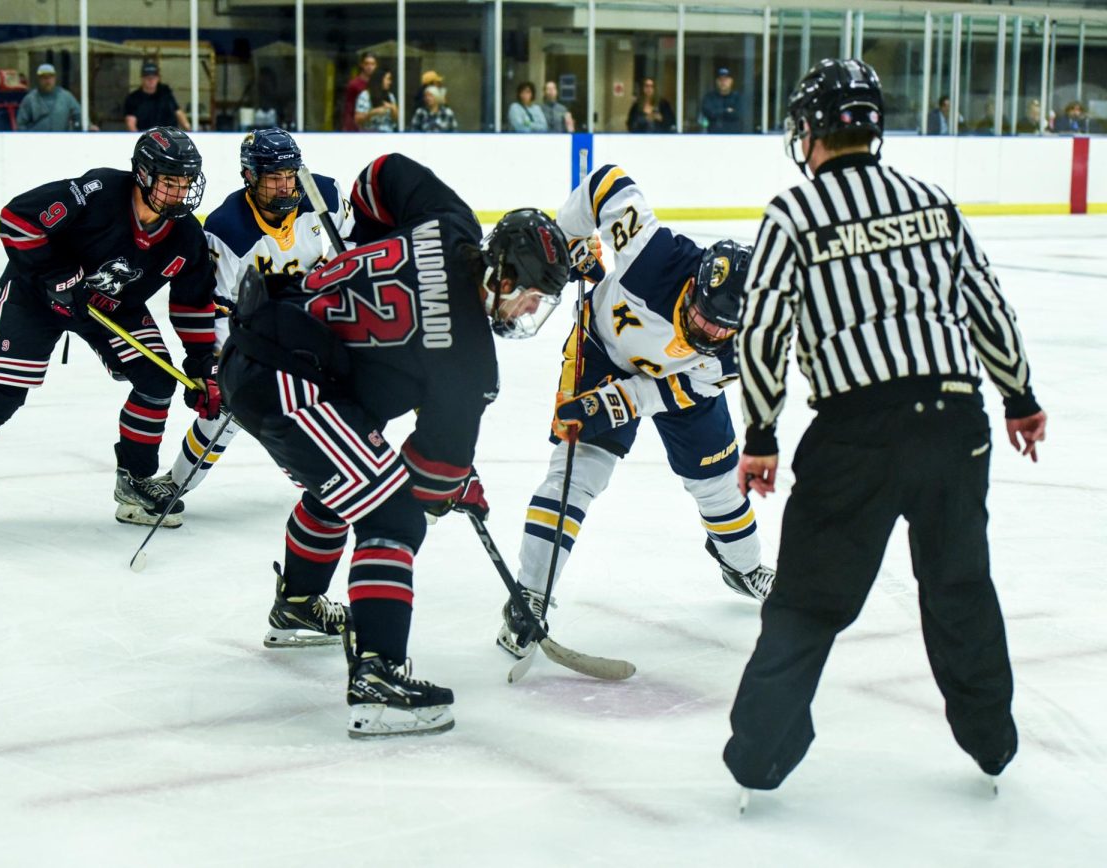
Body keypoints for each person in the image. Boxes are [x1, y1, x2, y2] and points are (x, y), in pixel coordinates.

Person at [723, 58, 1047, 799]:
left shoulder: (793, 213)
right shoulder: (932, 201)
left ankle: (759, 758)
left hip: (855, 432)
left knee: (808, 599)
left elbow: (763, 332)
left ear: (810, 131)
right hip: (954, 420)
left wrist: (763, 433)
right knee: (959, 583)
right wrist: (1020, 396)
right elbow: (988, 307)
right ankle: (992, 745)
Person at [217, 153, 570, 736]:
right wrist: (456, 486)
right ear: (504, 276)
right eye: (530, 296)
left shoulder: (449, 220)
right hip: (289, 379)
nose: (529, 310)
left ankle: (298, 607)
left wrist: (369, 244)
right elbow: (428, 483)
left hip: (269, 340)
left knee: (352, 481)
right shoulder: (471, 364)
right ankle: (377, 675)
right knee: (394, 514)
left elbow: (384, 173)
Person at [496, 165, 775, 660]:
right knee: (576, 472)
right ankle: (529, 596)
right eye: (702, 318)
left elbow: (673, 391)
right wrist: (571, 238)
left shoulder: (741, 349)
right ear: (694, 285)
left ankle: (743, 565)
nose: (707, 334)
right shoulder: (655, 254)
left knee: (717, 485)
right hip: (602, 349)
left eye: (719, 331)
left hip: (672, 387)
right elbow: (606, 182)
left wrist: (616, 403)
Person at [0, 127, 218, 531]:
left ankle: (135, 481)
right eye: (170, 182)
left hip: (111, 307)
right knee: (1, 395)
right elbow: (17, 218)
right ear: (143, 175)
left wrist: (201, 363)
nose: (179, 193)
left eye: (185, 183)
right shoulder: (98, 191)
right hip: (35, 296)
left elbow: (193, 301)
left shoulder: (185, 237)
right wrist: (55, 273)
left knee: (158, 381)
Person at [166, 127, 352, 509]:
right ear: (249, 177)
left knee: (334, 401)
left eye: (290, 175)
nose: (285, 186)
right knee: (228, 414)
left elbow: (356, 244)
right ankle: (174, 485)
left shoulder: (325, 195)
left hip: (316, 319)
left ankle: (327, 487)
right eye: (273, 178)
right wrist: (217, 367)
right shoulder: (227, 229)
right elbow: (216, 305)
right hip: (256, 330)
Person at [16, 63, 95, 132]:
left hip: (61, 143)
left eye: (50, 76)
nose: (47, 80)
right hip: (37, 144)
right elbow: (21, 125)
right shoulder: (30, 99)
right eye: (44, 77)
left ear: (55, 78)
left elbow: (79, 115)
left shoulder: (66, 97)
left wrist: (89, 126)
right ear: (39, 79)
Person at [124, 61, 190, 133]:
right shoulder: (133, 98)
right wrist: (137, 139)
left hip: (169, 137)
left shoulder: (165, 93)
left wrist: (189, 130)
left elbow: (178, 112)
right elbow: (130, 122)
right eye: (148, 78)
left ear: (158, 78)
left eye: (154, 77)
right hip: (147, 138)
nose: (151, 80)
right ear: (142, 78)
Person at [700, 67, 743, 133]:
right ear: (716, 81)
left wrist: (718, 112)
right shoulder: (709, 97)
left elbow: (739, 114)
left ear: (731, 81)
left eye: (726, 80)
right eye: (720, 80)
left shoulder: (737, 98)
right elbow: (708, 113)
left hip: (734, 137)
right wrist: (726, 111)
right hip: (713, 136)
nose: (723, 82)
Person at [341, 52, 377, 132]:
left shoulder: (378, 83)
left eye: (372, 64)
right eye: (367, 64)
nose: (369, 67)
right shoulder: (354, 84)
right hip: (356, 129)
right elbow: (349, 109)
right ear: (361, 65)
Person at [355, 68, 398, 132]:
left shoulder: (390, 96)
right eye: (388, 79)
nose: (390, 82)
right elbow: (357, 120)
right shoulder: (365, 96)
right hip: (370, 135)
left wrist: (393, 108)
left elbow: (395, 120)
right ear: (380, 79)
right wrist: (372, 113)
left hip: (388, 135)